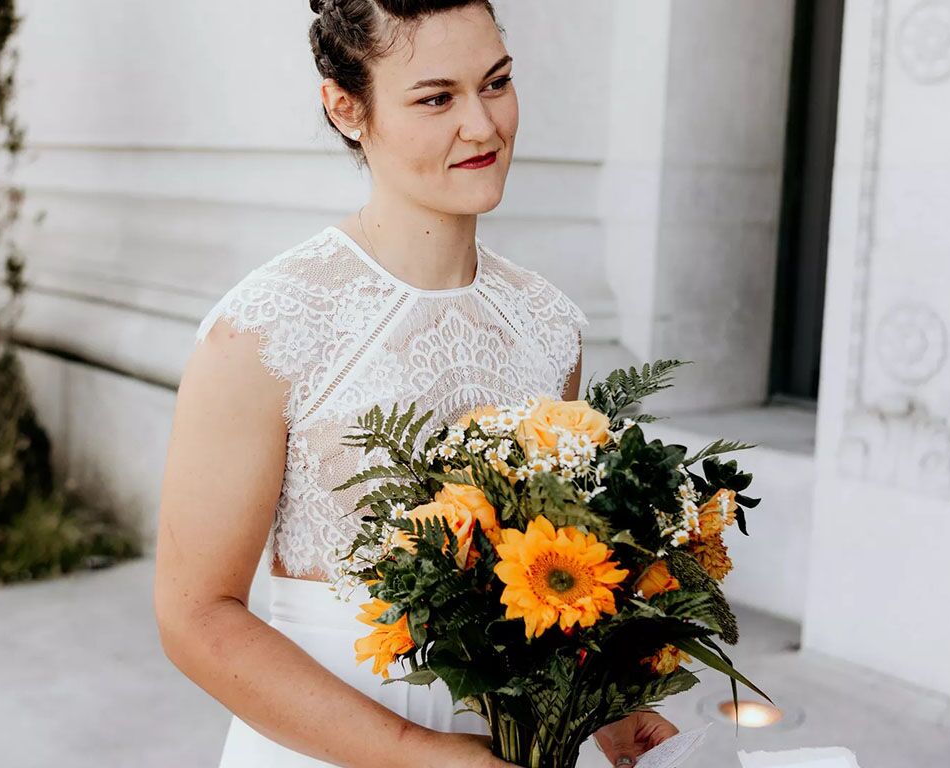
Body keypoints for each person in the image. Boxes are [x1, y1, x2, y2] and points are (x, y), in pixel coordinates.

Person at [153, 1, 679, 766]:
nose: (483, 126)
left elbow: (552, 582)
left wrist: (609, 711)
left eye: (496, 84)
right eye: (437, 98)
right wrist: (418, 752)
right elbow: (195, 616)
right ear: (345, 107)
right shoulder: (264, 332)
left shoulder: (548, 325)